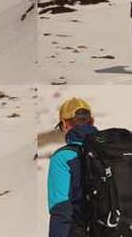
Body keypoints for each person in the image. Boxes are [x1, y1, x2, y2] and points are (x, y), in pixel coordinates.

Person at [48, 98, 97, 237]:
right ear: (92, 121)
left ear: (64, 124)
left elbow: (60, 210)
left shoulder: (62, 158)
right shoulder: (109, 151)